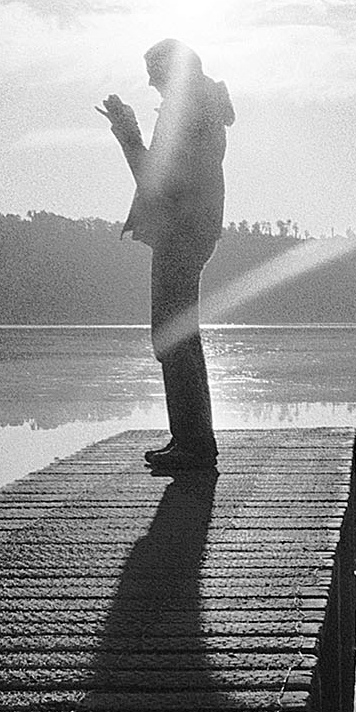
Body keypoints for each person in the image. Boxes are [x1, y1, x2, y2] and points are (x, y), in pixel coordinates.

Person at [97, 38, 235, 474]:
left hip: (180, 232)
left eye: (155, 72)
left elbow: (153, 179)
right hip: (191, 230)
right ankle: (192, 440)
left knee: (172, 337)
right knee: (180, 336)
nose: (151, 82)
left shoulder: (186, 109)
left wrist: (127, 133)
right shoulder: (203, 105)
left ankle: (193, 445)